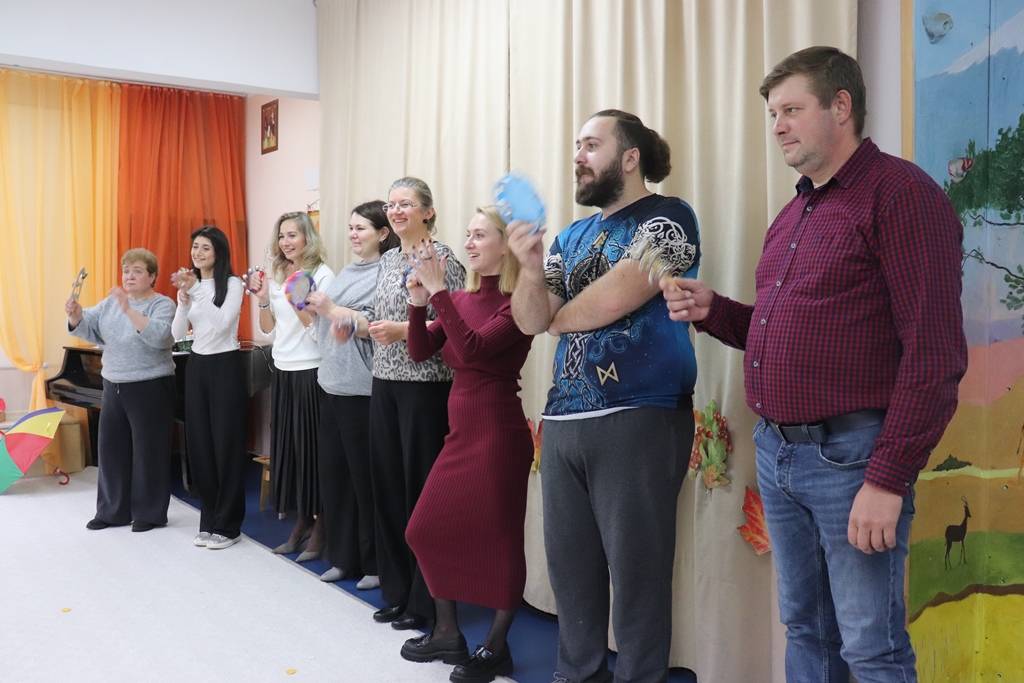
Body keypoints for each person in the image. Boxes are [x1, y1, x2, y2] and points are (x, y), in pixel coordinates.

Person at [661, 46, 967, 682]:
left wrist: (887, 479)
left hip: (854, 463)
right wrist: (714, 310)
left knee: (871, 649)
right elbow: (791, 333)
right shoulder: (796, 212)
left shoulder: (903, 196)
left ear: (841, 106)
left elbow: (934, 356)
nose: (777, 126)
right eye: (773, 114)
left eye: (791, 110)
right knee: (806, 629)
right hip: (779, 454)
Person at [506, 110, 700, 683]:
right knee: (572, 576)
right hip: (564, 421)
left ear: (630, 157)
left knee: (639, 577)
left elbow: (619, 296)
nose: (578, 156)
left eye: (591, 145)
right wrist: (530, 269)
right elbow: (530, 321)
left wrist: (558, 316)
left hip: (641, 415)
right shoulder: (570, 236)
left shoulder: (670, 217)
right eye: (577, 145)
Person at [400, 207, 533, 683]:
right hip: (461, 433)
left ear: (505, 245)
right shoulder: (460, 298)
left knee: (502, 539)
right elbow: (420, 351)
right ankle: (447, 632)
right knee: (424, 530)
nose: (469, 243)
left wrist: (439, 294)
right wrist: (419, 303)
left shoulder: (519, 303)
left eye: (480, 235)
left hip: (498, 433)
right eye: (468, 235)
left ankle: (496, 647)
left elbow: (473, 348)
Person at [336, 177, 466, 631]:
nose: (395, 211)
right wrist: (357, 325)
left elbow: (451, 324)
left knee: (419, 494)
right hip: (385, 382)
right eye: (391, 204)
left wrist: (402, 330)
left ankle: (427, 601)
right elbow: (380, 317)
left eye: (405, 204)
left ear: (427, 212)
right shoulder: (389, 258)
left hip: (425, 387)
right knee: (388, 488)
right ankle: (397, 591)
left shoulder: (444, 259)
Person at [303, 200, 398, 587]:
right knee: (336, 479)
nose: (353, 235)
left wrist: (331, 310)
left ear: (383, 233)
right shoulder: (346, 271)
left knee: (365, 482)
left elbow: (373, 326)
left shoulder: (387, 272)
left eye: (361, 228)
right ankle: (343, 558)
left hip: (363, 390)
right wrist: (315, 309)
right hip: (332, 384)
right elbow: (331, 324)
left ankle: (375, 564)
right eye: (351, 228)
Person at [66, 248, 176, 532]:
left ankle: (149, 513)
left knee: (148, 453)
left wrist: (128, 309)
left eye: (137, 271)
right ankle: (112, 511)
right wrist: (76, 316)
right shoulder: (109, 304)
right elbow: (88, 327)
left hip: (150, 385)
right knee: (111, 450)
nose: (130, 276)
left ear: (152, 276)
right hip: (114, 384)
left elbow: (161, 337)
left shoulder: (162, 304)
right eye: (126, 271)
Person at [248, 211, 335, 558]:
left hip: (312, 371)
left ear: (307, 238)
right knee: (293, 454)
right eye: (282, 236)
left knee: (314, 453)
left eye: (293, 235)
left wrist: (297, 296)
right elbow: (269, 329)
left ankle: (322, 525)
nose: (286, 242)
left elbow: (319, 331)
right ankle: (303, 521)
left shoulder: (322, 274)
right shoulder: (279, 274)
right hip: (283, 371)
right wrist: (264, 298)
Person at [171, 226, 247, 550]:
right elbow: (177, 334)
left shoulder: (233, 283)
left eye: (205, 248)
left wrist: (197, 292)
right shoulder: (193, 287)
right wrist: (182, 303)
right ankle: (209, 521)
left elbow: (223, 324)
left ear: (218, 252)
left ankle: (229, 526)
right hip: (197, 366)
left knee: (226, 447)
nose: (198, 253)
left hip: (226, 366)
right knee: (200, 446)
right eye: (195, 247)